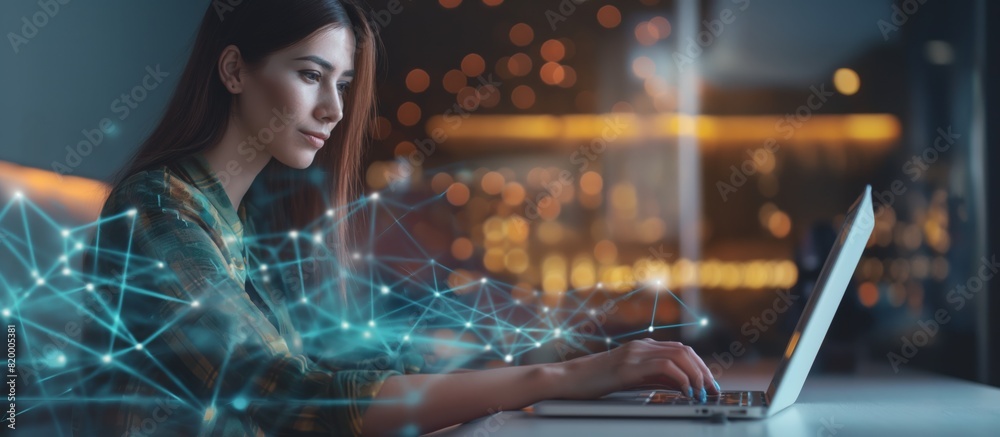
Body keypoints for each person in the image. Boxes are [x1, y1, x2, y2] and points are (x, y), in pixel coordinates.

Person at [71, 1, 720, 435]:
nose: (332, 108)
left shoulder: (239, 220)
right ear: (235, 70)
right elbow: (282, 392)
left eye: (343, 83)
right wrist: (558, 377)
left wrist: (590, 360)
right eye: (309, 75)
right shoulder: (157, 211)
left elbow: (364, 351)